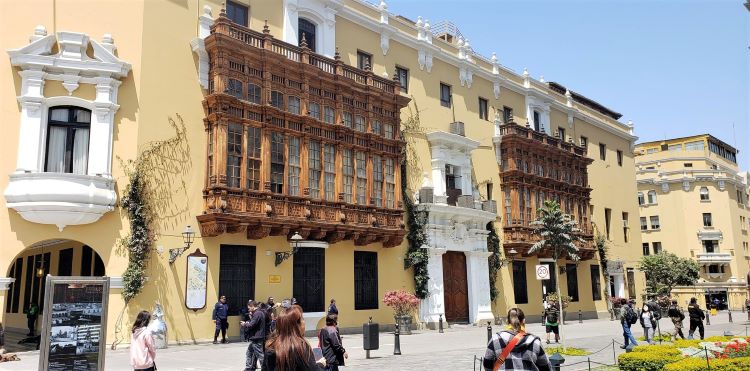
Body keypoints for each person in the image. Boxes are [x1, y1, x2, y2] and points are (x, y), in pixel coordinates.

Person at [482, 308, 551, 371]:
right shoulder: (535, 342)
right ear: (524, 321)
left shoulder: (495, 339)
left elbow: (487, 364)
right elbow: (546, 366)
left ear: (507, 321)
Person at [261, 305, 326, 371]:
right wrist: (321, 364)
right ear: (297, 325)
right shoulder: (300, 346)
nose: (304, 322)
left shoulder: (271, 345)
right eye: (302, 319)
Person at [242, 301, 267, 371]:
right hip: (255, 337)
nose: (248, 309)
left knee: (260, 355)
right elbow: (254, 323)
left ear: (253, 306)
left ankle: (265, 368)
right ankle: (249, 368)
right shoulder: (258, 313)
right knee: (249, 353)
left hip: (257, 337)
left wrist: (245, 324)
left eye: (249, 308)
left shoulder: (257, 313)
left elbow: (251, 325)